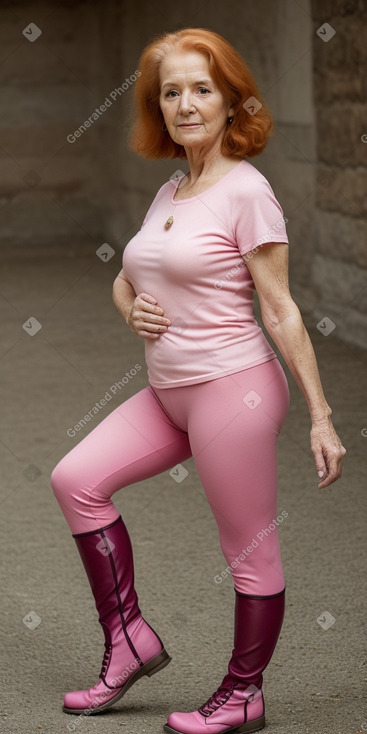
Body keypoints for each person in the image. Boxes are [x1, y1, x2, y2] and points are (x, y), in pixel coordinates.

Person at [50, 27, 346, 734]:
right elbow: (127, 281)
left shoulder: (247, 191)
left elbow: (278, 308)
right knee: (75, 481)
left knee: (247, 550)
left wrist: (321, 416)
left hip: (231, 388)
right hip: (167, 390)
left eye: (201, 89)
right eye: (171, 91)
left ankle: (243, 693)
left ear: (231, 100)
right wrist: (134, 311)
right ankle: (126, 643)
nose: (185, 104)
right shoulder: (172, 187)